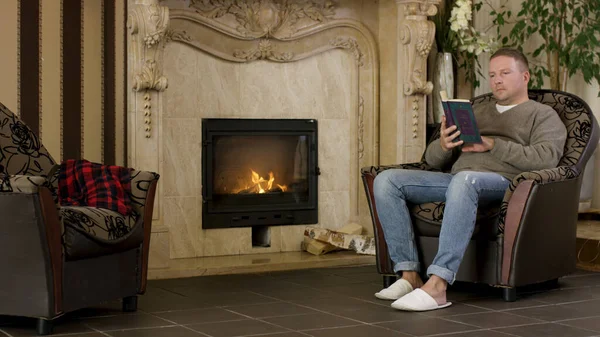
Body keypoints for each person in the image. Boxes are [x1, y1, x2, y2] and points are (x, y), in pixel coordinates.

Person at [372, 48, 567, 312]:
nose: (497, 80)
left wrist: (492, 145)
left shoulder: (542, 115)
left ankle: (439, 284)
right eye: (492, 75)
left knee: (465, 180)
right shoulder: (474, 109)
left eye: (505, 73)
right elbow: (432, 162)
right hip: (457, 181)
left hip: (504, 183)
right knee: (386, 180)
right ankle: (409, 276)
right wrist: (443, 144)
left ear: (525, 76)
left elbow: (546, 159)